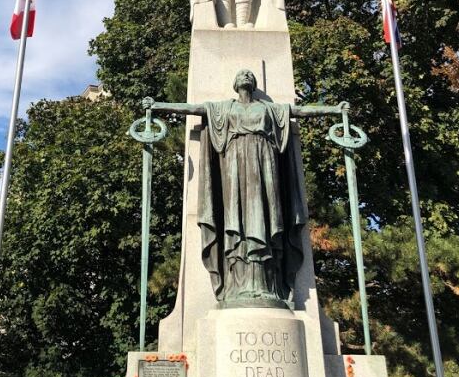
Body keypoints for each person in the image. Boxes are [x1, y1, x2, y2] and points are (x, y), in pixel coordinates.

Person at [144, 69, 345, 307]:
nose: (246, 75)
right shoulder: (224, 108)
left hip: (265, 164)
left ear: (254, 83)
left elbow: (299, 111)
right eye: (242, 75)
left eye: (249, 74)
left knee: (266, 219)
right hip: (235, 165)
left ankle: (268, 283)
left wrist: (335, 110)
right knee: (237, 221)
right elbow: (193, 108)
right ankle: (238, 283)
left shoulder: (269, 109)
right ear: (235, 84)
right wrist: (157, 106)